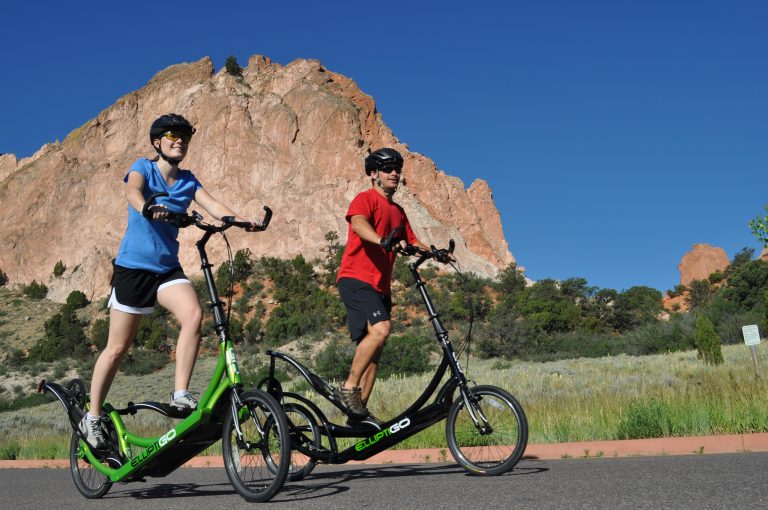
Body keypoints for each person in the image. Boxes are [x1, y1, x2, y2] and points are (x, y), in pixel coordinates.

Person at [79, 113, 259, 449]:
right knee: (117, 348)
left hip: (166, 269)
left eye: (184, 137)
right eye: (172, 136)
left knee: (193, 316)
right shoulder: (143, 168)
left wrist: (241, 221)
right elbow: (132, 192)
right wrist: (148, 206)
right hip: (134, 269)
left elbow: (213, 205)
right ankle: (92, 417)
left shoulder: (189, 181)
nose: (179, 141)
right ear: (157, 142)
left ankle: (180, 394)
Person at [334, 147, 430, 424]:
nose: (394, 174)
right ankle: (349, 387)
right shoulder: (365, 199)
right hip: (356, 278)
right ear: (374, 173)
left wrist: (435, 252)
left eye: (397, 169)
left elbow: (412, 241)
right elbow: (359, 224)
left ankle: (357, 414)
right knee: (382, 329)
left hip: (380, 287)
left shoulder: (398, 211)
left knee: (375, 353)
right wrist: (381, 240)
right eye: (388, 168)